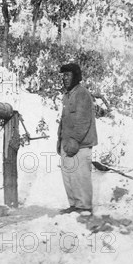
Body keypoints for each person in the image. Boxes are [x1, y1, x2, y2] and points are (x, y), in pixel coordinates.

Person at [57, 62, 98, 214]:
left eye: (68, 75)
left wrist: (74, 141)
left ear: (76, 77)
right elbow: (64, 120)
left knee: (81, 177)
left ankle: (84, 208)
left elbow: (83, 121)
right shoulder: (67, 95)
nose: (65, 79)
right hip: (67, 144)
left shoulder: (82, 94)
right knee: (69, 177)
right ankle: (74, 206)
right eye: (63, 76)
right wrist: (60, 140)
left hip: (80, 145)